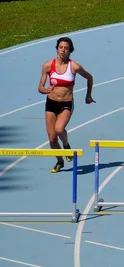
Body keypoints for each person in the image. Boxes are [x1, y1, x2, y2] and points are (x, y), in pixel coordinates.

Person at [37, 37, 95, 173]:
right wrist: (46, 90)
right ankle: (59, 161)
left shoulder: (74, 67)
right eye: (61, 47)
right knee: (51, 139)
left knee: (59, 129)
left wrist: (88, 95)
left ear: (70, 50)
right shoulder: (47, 66)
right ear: (57, 48)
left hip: (66, 104)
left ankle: (66, 145)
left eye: (66, 48)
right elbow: (40, 87)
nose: (63, 50)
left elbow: (89, 77)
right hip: (51, 103)